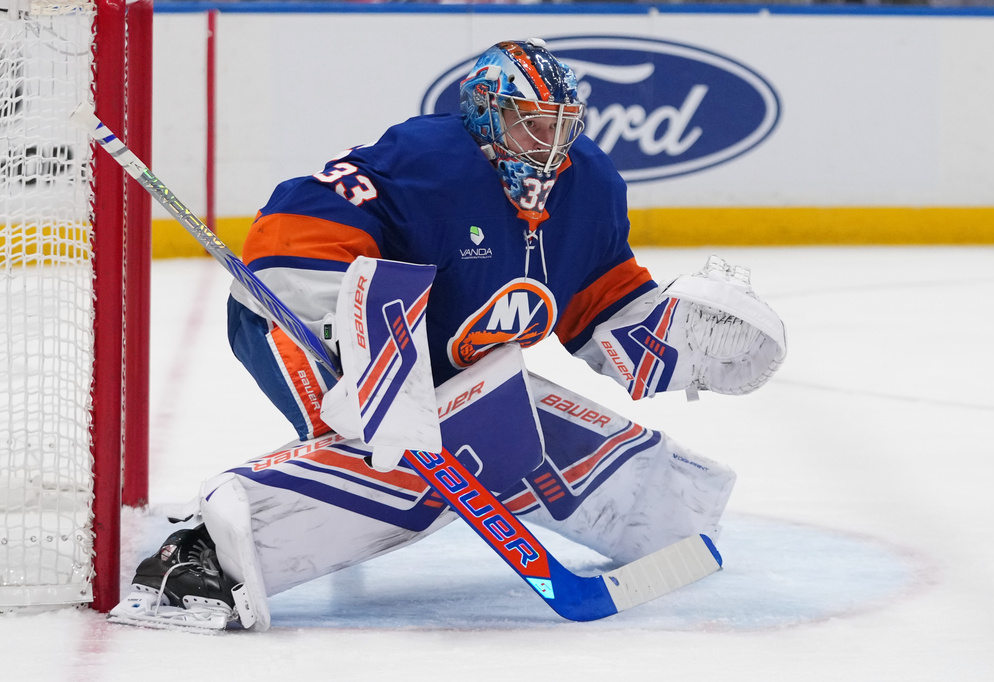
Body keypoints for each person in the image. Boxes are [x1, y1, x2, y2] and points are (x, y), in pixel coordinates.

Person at [109, 39, 786, 631]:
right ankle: (200, 556)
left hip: (440, 367)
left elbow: (600, 293)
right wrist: (349, 336)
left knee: (554, 450)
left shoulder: (590, 187)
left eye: (561, 126)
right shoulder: (428, 161)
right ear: (487, 118)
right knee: (412, 455)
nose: (549, 147)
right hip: (308, 320)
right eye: (529, 126)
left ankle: (664, 514)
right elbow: (297, 218)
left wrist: (657, 336)